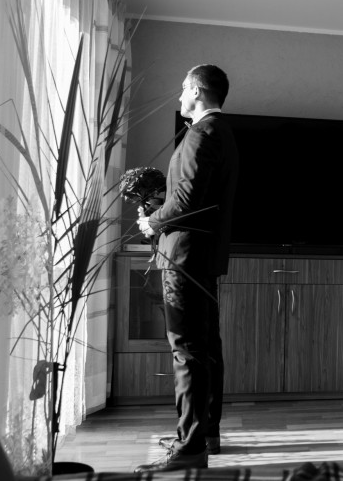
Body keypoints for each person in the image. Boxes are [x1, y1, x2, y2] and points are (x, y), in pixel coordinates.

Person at [136, 64, 238, 472]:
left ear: (197, 91)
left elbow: (187, 201)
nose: (179, 96)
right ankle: (206, 434)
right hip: (203, 258)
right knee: (206, 347)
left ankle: (190, 447)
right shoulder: (222, 133)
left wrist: (153, 221)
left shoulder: (200, 134)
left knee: (187, 351)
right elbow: (196, 196)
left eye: (183, 89)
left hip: (185, 258)